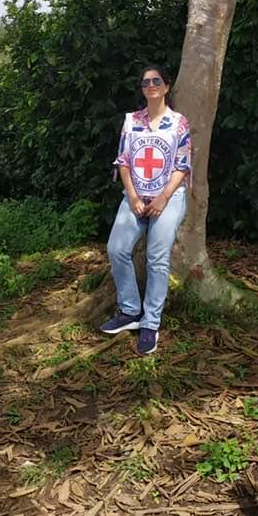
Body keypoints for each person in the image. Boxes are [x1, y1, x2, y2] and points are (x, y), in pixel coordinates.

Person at [100, 64, 191, 356]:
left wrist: (163, 198)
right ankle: (130, 310)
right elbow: (123, 161)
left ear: (166, 86)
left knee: (157, 258)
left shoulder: (179, 123)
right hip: (136, 196)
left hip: (169, 197)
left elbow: (182, 165)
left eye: (156, 81)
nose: (150, 85)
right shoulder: (131, 121)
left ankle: (151, 323)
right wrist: (133, 195)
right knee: (116, 249)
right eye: (145, 82)